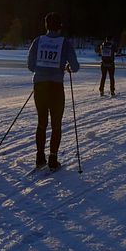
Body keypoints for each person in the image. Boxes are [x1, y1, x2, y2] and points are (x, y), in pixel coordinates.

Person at [27, 12, 80, 169]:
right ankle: (53, 159)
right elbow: (75, 67)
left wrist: (42, 69)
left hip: (40, 85)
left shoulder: (38, 41)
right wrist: (67, 67)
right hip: (56, 87)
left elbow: (30, 66)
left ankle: (39, 157)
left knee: (41, 122)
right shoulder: (65, 43)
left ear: (46, 26)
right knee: (56, 124)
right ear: (60, 27)